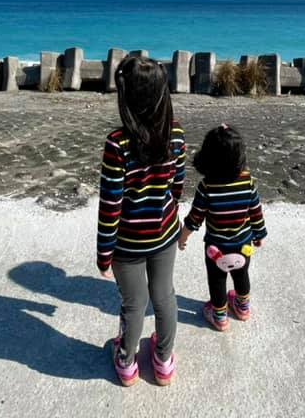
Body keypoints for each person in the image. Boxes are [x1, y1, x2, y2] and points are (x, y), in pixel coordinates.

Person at [96, 55, 186, 386]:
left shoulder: (117, 143)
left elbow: (110, 205)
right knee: (165, 296)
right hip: (164, 234)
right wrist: (168, 210)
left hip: (127, 243)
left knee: (134, 304)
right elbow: (178, 183)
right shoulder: (175, 134)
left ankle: (126, 362)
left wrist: (104, 253)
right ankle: (163, 361)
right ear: (164, 94)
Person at [179, 124, 267, 331]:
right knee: (242, 274)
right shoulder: (248, 182)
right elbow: (256, 211)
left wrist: (183, 237)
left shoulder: (207, 186)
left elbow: (195, 218)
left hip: (216, 249)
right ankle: (242, 307)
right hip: (243, 244)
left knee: (217, 281)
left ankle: (219, 316)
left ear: (208, 157)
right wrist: (259, 234)